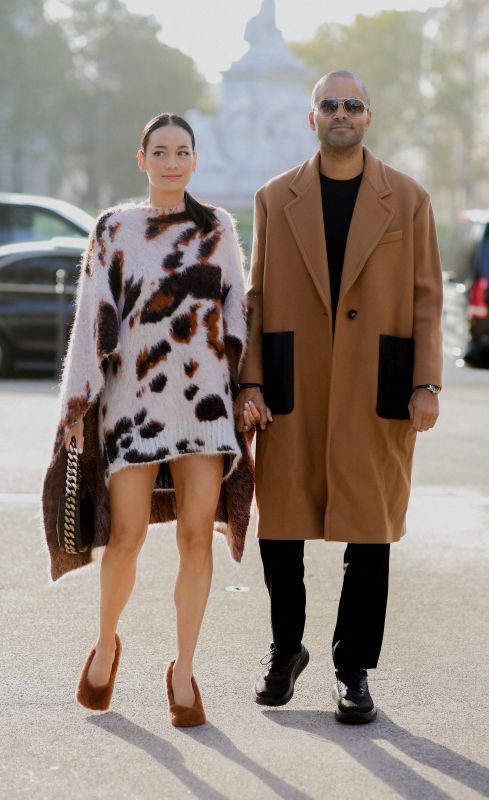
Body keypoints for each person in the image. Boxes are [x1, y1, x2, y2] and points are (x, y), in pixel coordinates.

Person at [236, 71, 443, 724]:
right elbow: (258, 294)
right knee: (281, 525)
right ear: (311, 118)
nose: (340, 114)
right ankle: (284, 650)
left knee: (370, 530)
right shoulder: (274, 197)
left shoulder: (406, 199)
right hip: (294, 383)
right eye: (329, 105)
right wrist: (250, 380)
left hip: (372, 385)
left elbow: (426, 299)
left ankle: (351, 671)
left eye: (352, 105)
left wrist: (426, 382)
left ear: (368, 117)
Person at [41, 113, 252, 727]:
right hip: (133, 405)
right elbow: (92, 323)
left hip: (205, 404)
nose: (171, 161)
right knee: (126, 536)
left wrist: (245, 393)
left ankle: (183, 669)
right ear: (142, 159)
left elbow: (237, 314)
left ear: (195, 158)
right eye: (159, 151)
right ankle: (106, 643)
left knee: (194, 536)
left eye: (182, 151)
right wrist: (78, 405)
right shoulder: (113, 230)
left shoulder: (219, 229)